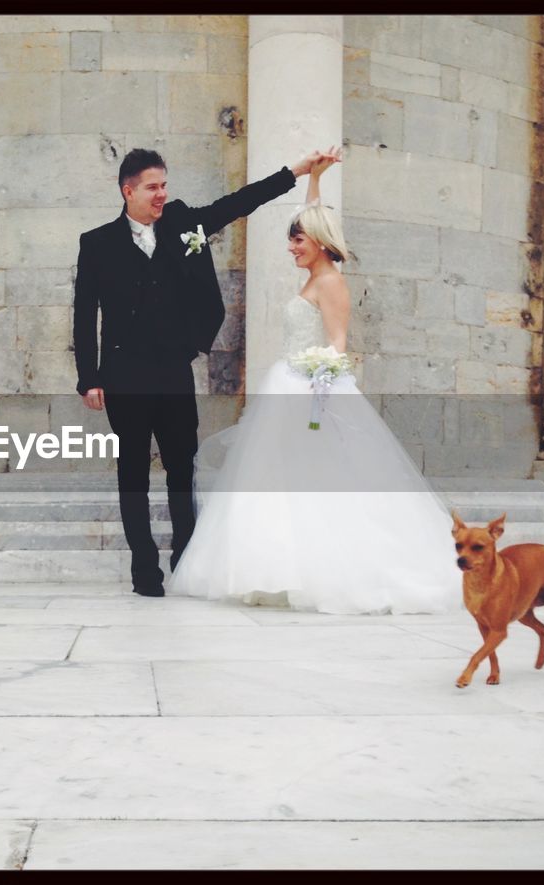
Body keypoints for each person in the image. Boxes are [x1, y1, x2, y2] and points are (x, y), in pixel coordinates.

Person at [168, 152, 462, 614]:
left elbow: (339, 344)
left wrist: (318, 388)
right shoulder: (316, 274)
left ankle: (325, 571)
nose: (292, 247)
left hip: (311, 389)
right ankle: (277, 571)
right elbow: (310, 218)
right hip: (288, 383)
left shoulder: (331, 285)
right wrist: (314, 178)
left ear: (320, 243)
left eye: (298, 241)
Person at [75, 147, 336, 597]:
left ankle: (187, 559)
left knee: (182, 468)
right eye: (153, 187)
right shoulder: (96, 243)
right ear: (128, 190)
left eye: (164, 186)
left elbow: (238, 203)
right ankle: (144, 571)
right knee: (132, 473)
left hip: (174, 373)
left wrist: (295, 171)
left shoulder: (181, 223)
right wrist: (89, 376)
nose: (162, 194)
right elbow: (84, 315)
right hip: (124, 377)